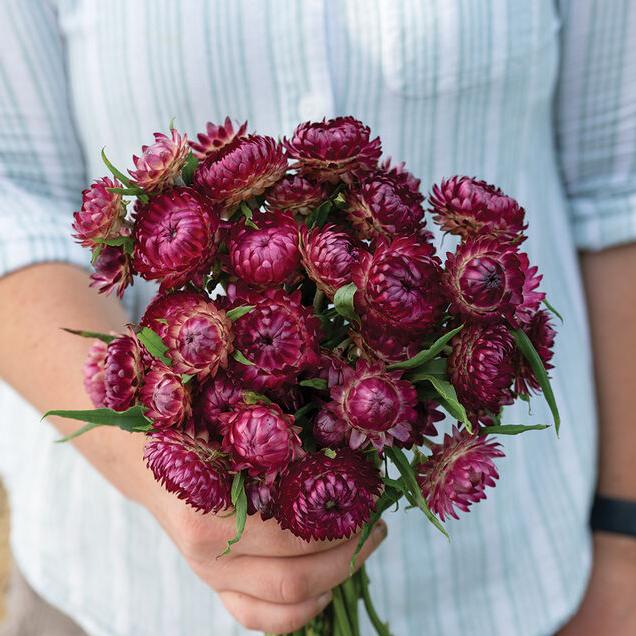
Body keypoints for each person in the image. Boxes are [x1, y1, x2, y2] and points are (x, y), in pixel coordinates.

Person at [0, 1, 635, 634]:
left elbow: (619, 195)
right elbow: (13, 203)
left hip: (521, 588)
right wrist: (146, 457)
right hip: (115, 594)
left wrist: (625, 552)